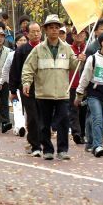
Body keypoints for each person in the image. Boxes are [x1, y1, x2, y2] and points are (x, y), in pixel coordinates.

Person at [22, 15, 85, 160]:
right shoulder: (38, 49)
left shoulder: (67, 49)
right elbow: (28, 68)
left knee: (63, 121)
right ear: (46, 30)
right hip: (44, 93)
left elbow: (73, 66)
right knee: (44, 124)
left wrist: (80, 60)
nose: (55, 30)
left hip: (62, 93)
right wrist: (26, 82)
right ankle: (48, 149)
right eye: (51, 27)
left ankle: (62, 150)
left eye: (57, 28)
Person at [74, 31, 103, 158]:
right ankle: (97, 146)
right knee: (97, 119)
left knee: (100, 120)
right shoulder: (93, 59)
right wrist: (79, 94)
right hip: (94, 95)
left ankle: (92, 142)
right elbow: (85, 78)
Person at [9, 21, 42, 156]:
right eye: (33, 31)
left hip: (44, 89)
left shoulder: (45, 48)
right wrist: (13, 90)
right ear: (27, 34)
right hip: (27, 89)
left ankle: (33, 141)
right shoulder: (22, 50)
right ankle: (35, 146)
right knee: (33, 116)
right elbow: (15, 70)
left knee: (42, 117)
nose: (36, 34)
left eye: (38, 31)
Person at [0, 33, 27, 135]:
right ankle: (20, 127)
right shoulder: (11, 55)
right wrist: (2, 81)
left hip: (28, 86)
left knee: (26, 108)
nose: (23, 42)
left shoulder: (30, 53)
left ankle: (19, 126)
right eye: (21, 40)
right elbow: (6, 69)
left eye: (25, 40)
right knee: (17, 106)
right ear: (16, 43)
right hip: (15, 86)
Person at [68, 28, 88, 144]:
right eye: (76, 33)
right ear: (73, 35)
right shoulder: (69, 49)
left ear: (85, 34)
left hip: (85, 85)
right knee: (73, 109)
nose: (79, 35)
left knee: (84, 110)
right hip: (73, 84)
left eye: (81, 33)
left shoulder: (88, 49)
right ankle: (76, 133)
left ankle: (83, 133)